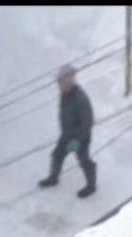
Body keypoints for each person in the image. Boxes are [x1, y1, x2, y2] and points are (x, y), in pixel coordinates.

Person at [40, 64, 96, 197]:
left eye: (61, 82)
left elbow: (87, 123)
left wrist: (77, 141)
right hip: (66, 135)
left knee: (84, 161)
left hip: (81, 138)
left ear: (69, 81)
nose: (59, 85)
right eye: (59, 82)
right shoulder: (64, 95)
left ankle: (91, 186)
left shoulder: (80, 99)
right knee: (57, 155)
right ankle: (53, 178)